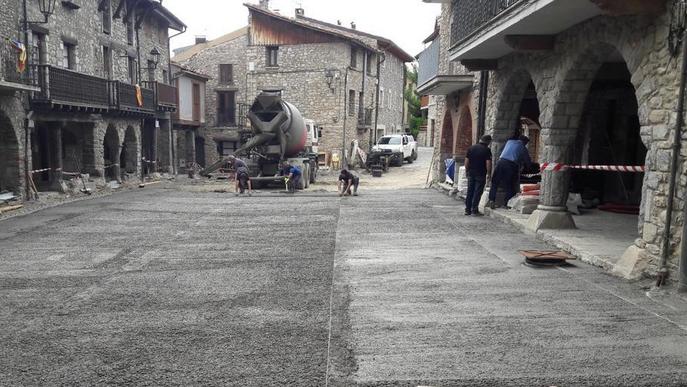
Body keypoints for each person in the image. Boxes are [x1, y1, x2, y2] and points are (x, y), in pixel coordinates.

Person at [487, 135, 532, 209]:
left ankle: (491, 200)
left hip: (500, 162)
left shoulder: (509, 142)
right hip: (510, 165)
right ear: (525, 142)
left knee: (495, 182)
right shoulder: (523, 147)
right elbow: (527, 161)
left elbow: (500, 151)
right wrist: (528, 167)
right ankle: (506, 203)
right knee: (509, 184)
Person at [464, 135, 493, 216]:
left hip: (471, 173)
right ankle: (474, 209)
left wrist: (466, 171)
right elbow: (488, 163)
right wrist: (489, 173)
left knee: (470, 191)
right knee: (477, 191)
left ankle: (467, 210)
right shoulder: (487, 150)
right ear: (488, 142)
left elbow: (466, 161)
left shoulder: (471, 148)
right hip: (481, 173)